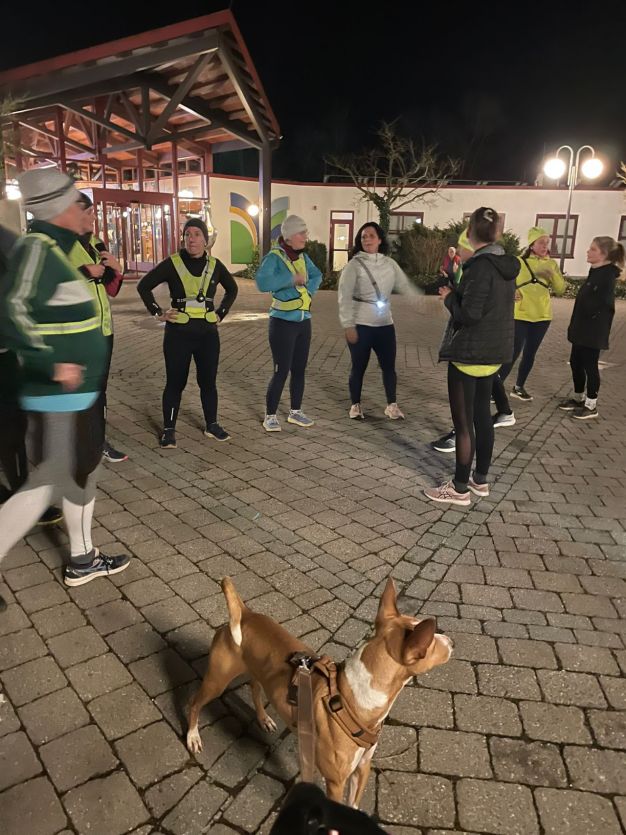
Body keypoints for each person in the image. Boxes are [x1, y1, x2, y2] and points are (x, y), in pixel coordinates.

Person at [0, 167, 130, 611]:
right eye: (77, 202)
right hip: (57, 394)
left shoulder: (57, 248)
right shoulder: (36, 248)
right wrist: (51, 362)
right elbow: (10, 312)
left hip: (78, 394)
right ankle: (81, 557)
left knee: (82, 470)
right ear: (57, 207)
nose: (83, 210)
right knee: (46, 482)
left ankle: (82, 558)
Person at [425, 207, 519, 506]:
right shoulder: (506, 266)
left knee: (464, 424)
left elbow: (469, 314)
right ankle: (480, 480)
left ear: (469, 233)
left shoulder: (480, 267)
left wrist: (448, 298)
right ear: (497, 233)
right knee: (482, 419)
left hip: (470, 354)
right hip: (493, 353)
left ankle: (459, 488)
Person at [137, 219, 238, 449]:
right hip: (178, 334)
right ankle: (169, 430)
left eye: (196, 234)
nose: (191, 239)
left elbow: (232, 289)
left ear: (205, 240)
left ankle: (212, 424)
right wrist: (158, 313)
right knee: (175, 382)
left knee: (208, 382)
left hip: (207, 335)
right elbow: (144, 286)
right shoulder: (172, 263)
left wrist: (221, 313)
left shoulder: (215, 265)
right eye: (187, 235)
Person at [70, 192, 128, 462]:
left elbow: (112, 289)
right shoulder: (59, 245)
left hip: (103, 332)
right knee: (78, 390)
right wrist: (83, 272)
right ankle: (78, 444)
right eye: (89, 212)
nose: (94, 218)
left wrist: (116, 269)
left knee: (99, 389)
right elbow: (48, 284)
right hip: (78, 333)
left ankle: (97, 440)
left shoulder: (96, 243)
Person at [337, 221, 416, 420]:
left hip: (385, 324)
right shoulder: (354, 265)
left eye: (371, 236)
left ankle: (392, 405)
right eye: (363, 236)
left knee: (389, 367)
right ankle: (355, 405)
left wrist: (422, 302)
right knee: (358, 367)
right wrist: (348, 324)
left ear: (380, 240)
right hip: (361, 324)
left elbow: (406, 286)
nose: (367, 239)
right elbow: (344, 296)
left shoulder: (389, 264)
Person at [491, 226, 566, 425]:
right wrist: (511, 291)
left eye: (547, 243)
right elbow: (503, 281)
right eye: (541, 242)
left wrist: (553, 275)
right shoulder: (518, 262)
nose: (545, 246)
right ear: (532, 244)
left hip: (542, 316)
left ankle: (519, 387)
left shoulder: (551, 264)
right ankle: (494, 389)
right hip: (520, 314)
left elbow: (560, 289)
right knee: (512, 353)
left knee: (530, 354)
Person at [255, 215, 322, 432]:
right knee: (281, 370)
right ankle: (270, 416)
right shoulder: (274, 257)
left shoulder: (303, 257)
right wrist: (291, 280)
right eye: (302, 233)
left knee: (299, 369)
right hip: (282, 323)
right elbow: (262, 283)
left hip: (304, 323)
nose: (306, 237)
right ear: (290, 236)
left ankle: (295, 412)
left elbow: (317, 275)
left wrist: (309, 291)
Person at [558, 236, 625, 420]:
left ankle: (591, 405)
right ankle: (578, 398)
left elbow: (604, 305)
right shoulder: (595, 271)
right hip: (581, 329)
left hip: (592, 332)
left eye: (593, 249)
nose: (588, 251)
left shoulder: (606, 276)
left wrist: (591, 319)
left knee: (590, 366)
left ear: (604, 254)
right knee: (576, 362)